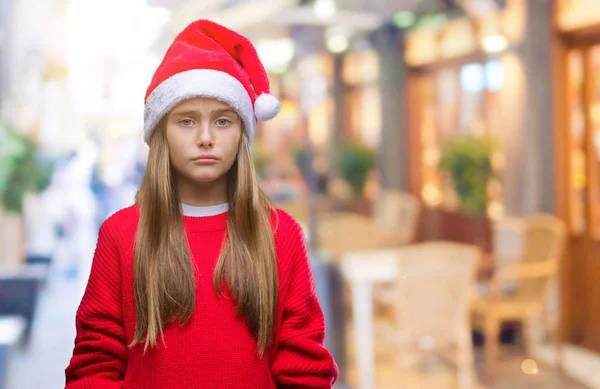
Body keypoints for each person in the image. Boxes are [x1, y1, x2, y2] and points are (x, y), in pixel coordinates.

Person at [64, 20, 338, 389]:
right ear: (162, 131)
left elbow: (304, 369)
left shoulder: (280, 234)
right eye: (187, 121)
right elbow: (94, 365)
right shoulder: (122, 234)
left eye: (223, 121)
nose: (206, 138)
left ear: (243, 132)